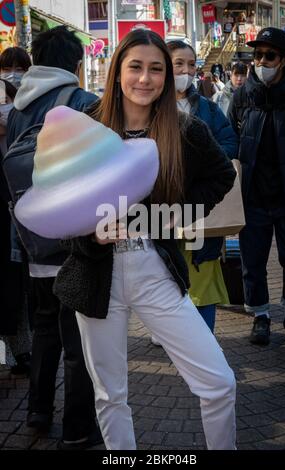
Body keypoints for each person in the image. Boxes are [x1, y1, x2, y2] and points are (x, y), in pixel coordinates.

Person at [54, 29, 237, 450]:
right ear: (117, 70)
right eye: (135, 66)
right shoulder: (86, 130)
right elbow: (61, 213)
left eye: (157, 69)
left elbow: (221, 176)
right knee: (110, 395)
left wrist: (175, 215)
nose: (145, 78)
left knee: (219, 383)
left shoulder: (183, 130)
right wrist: (91, 236)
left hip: (157, 274)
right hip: (96, 281)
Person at [7, 26, 102, 449]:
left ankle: (37, 413)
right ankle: (79, 428)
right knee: (79, 340)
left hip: (31, 239)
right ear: (77, 65)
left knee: (45, 328)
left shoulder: (18, 108)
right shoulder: (84, 102)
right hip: (74, 243)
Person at [228, 27, 285, 347]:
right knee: (252, 261)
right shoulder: (243, 95)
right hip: (253, 196)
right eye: (257, 55)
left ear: (284, 60)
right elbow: (229, 140)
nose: (261, 61)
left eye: (269, 56)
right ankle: (260, 315)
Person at [166, 39, 237, 332]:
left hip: (201, 213)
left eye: (191, 64)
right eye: (178, 64)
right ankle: (175, 335)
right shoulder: (146, 108)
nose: (186, 71)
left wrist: (198, 161)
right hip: (162, 213)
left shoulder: (208, 108)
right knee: (166, 276)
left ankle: (204, 338)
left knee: (202, 272)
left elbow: (230, 143)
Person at [0, 46, 32, 376]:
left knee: (17, 287)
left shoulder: (28, 106)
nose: (12, 72)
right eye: (7, 66)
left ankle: (22, 352)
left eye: (19, 66)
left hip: (19, 207)